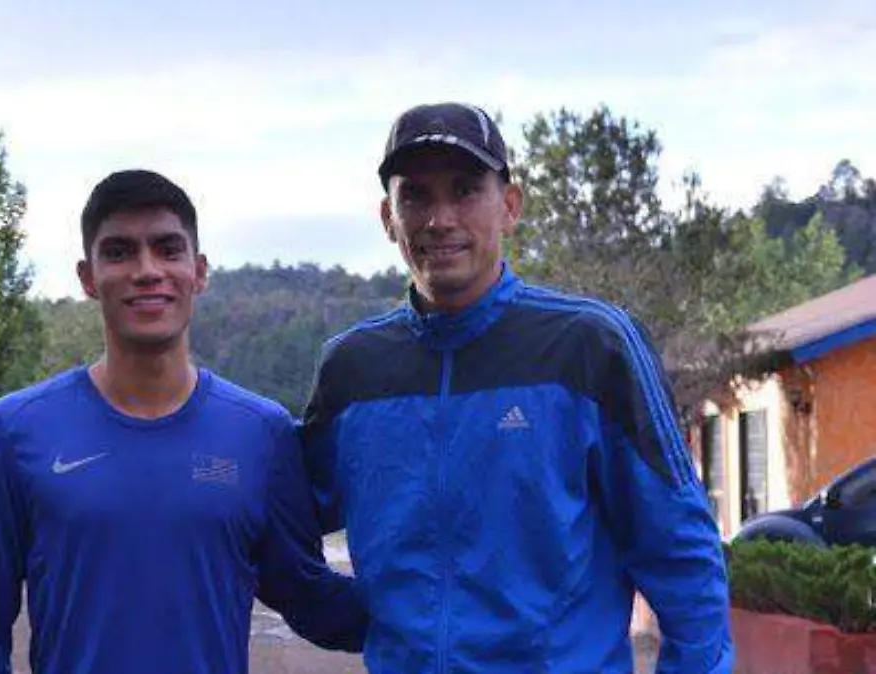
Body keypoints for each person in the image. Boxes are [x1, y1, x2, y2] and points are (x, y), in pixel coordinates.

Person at [299, 102, 734, 673]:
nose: (440, 218)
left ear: (509, 206)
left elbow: (680, 551)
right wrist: (354, 616)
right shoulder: (352, 369)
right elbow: (282, 523)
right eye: (416, 196)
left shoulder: (589, 346)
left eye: (464, 190)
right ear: (388, 218)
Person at [0, 169, 367, 673]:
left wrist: (446, 595)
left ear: (200, 270)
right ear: (87, 277)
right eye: (120, 252)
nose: (147, 270)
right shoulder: (14, 430)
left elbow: (308, 596)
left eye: (168, 249)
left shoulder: (261, 432)